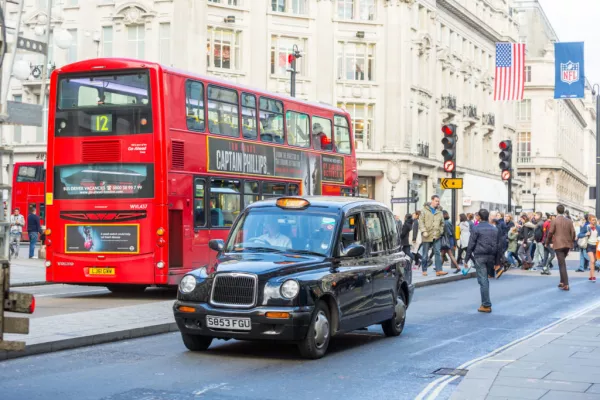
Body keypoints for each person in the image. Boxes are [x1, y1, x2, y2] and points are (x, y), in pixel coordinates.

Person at [464, 209, 502, 313]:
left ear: (479, 217)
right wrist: (497, 261)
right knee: (484, 279)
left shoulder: (476, 228)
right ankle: (485, 302)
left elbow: (471, 244)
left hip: (480, 255)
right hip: (491, 256)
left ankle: (486, 304)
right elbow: (498, 245)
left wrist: (466, 259)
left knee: (483, 280)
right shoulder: (494, 229)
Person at [545, 204, 576, 291]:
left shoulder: (554, 221)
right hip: (567, 244)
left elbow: (550, 232)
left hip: (558, 244)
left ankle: (566, 284)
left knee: (562, 264)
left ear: (557, 211)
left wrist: (547, 242)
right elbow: (573, 232)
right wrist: (572, 241)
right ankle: (562, 281)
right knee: (561, 262)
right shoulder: (569, 221)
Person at [418, 195, 447, 277]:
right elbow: (421, 222)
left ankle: (439, 270)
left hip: (437, 236)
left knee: (438, 252)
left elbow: (442, 224)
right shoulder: (424, 210)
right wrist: (423, 231)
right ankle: (424, 269)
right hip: (427, 235)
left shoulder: (440, 212)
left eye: (438, 201)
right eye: (436, 201)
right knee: (425, 254)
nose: (438, 202)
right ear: (432, 201)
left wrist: (440, 231)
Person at [584, 215, 600, 283]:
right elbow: (579, 235)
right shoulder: (586, 227)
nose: (594, 221)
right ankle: (593, 277)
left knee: (593, 261)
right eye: (593, 220)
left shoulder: (598, 227)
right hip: (589, 245)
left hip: (596, 246)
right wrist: (585, 234)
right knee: (592, 261)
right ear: (590, 220)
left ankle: (590, 276)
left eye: (595, 220)